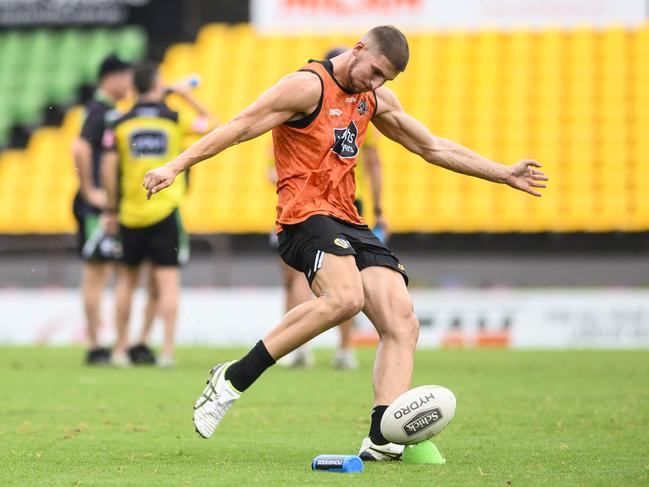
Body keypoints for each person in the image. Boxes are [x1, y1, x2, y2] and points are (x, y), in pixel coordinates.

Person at [143, 25, 547, 459]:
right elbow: (239, 127)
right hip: (303, 216)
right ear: (358, 50)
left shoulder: (373, 98)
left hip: (349, 218)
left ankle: (383, 438)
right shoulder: (306, 86)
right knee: (346, 299)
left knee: (402, 322)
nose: (375, 84)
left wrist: (502, 172)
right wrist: (175, 165)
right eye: (374, 72)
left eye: (385, 80)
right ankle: (231, 379)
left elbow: (430, 146)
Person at [276, 46, 390, 370]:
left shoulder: (361, 103)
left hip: (329, 203)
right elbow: (374, 163)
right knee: (340, 282)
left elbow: (375, 161)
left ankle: (316, 349)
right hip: (313, 204)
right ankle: (338, 349)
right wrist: (381, 209)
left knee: (316, 280)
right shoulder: (316, 97)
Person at [101, 63, 215, 367]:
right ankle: (166, 351)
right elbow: (214, 126)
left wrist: (110, 209)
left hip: (130, 214)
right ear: (157, 85)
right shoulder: (174, 119)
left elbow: (109, 169)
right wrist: (185, 96)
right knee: (168, 282)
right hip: (165, 211)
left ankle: (120, 349)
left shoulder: (119, 122)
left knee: (126, 281)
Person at [71, 54, 158, 365]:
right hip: (95, 206)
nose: (129, 83)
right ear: (110, 78)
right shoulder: (101, 110)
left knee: (111, 271)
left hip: (105, 204)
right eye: (124, 76)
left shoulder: (107, 111)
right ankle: (95, 344)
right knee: (97, 273)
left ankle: (108, 343)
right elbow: (79, 148)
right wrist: (90, 190)